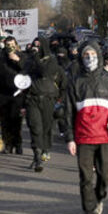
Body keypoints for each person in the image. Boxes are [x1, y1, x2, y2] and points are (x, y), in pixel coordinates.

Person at [65, 42, 108, 214]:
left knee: (105, 177)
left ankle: (99, 200)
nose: (89, 58)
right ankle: (89, 212)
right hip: (83, 138)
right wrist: (70, 138)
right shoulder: (75, 82)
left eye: (92, 54)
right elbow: (68, 112)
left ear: (98, 55)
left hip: (104, 137)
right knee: (86, 177)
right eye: (85, 55)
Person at [24, 35, 65, 172]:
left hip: (48, 99)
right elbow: (23, 76)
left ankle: (44, 149)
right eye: (34, 44)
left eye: (38, 45)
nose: (36, 47)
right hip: (33, 99)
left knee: (46, 127)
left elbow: (44, 72)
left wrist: (35, 58)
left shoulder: (51, 61)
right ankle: (37, 157)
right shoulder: (30, 60)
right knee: (35, 127)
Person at [0, 37, 25, 154]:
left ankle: (18, 144)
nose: (10, 46)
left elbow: (27, 71)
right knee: (4, 121)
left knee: (16, 120)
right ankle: (8, 144)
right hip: (3, 93)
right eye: (7, 44)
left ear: (16, 45)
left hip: (17, 93)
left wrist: (18, 61)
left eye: (12, 44)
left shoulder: (22, 56)